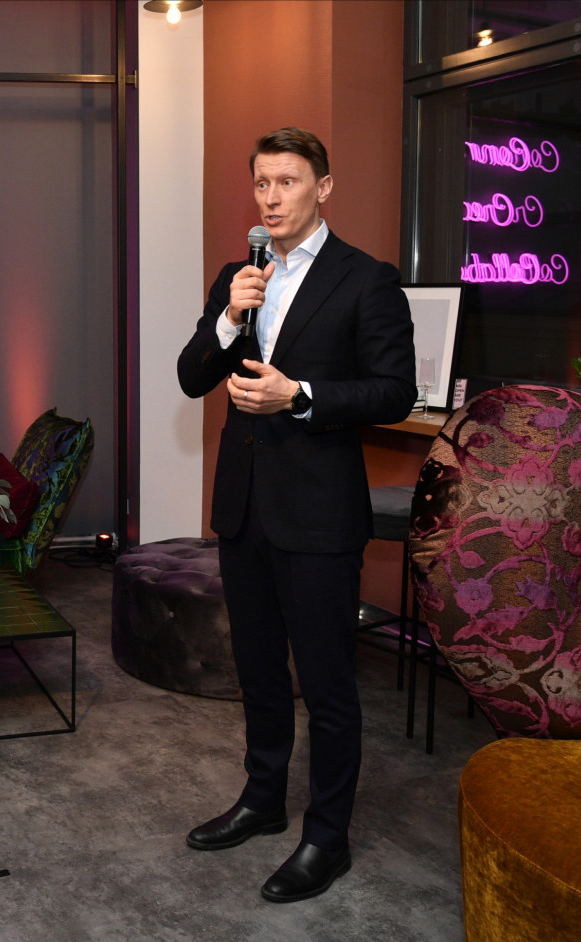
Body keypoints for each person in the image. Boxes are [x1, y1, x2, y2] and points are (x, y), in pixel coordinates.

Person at [176, 128, 415, 902]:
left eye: (287, 182)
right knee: (258, 672)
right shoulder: (237, 275)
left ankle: (327, 837)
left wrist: (300, 396)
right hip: (245, 510)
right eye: (262, 184)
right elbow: (190, 376)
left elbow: (394, 391)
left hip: (318, 516)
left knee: (327, 684)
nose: (272, 198)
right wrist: (226, 318)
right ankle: (262, 799)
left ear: (323, 187)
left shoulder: (366, 279)